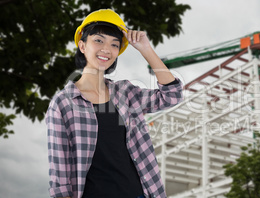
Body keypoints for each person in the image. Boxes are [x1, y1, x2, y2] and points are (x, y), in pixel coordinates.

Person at [46, 9, 183, 198]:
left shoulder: (126, 93)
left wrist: (145, 49)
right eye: (98, 40)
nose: (106, 49)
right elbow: (60, 183)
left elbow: (172, 95)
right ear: (82, 45)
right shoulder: (62, 104)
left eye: (114, 44)